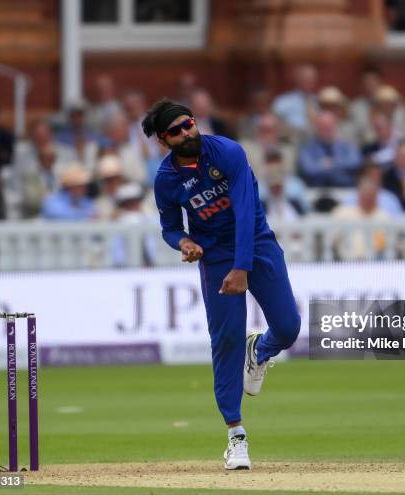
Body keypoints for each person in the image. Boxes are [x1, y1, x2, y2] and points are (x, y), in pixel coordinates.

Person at [142, 99, 301, 470]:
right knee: (227, 339)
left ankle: (259, 351)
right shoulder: (166, 179)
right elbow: (168, 226)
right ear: (164, 141)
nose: (187, 132)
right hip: (214, 256)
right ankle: (236, 435)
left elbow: (246, 209)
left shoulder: (227, 151)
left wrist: (242, 266)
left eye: (189, 124)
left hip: (256, 244)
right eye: (176, 131)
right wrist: (183, 242)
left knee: (289, 328)